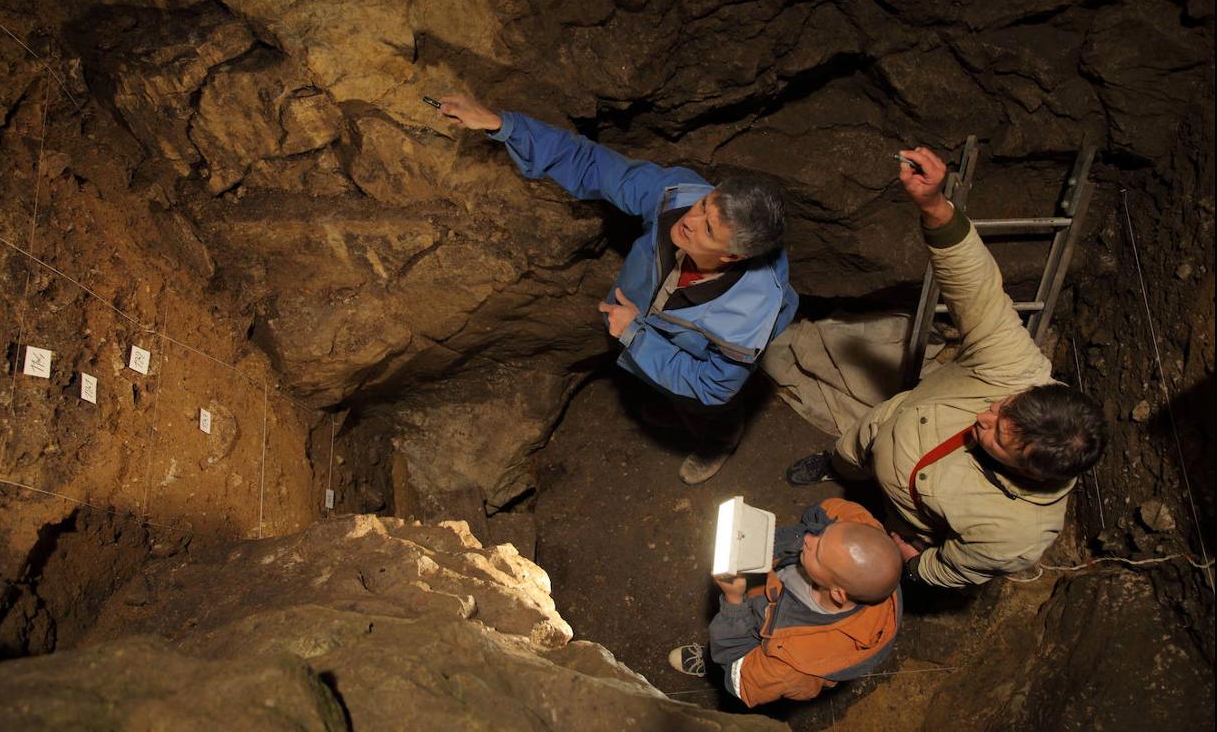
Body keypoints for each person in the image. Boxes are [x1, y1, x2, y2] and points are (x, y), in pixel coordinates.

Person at [789, 146, 1108, 589]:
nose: (985, 417)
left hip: (905, 518)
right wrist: (936, 208)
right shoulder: (1016, 368)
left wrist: (912, 566)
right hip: (881, 428)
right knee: (850, 450)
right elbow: (977, 289)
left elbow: (957, 567)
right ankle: (838, 466)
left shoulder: (1016, 533)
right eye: (1005, 407)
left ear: (1030, 472)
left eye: (998, 435)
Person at [438, 95, 798, 484]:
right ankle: (674, 402)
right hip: (647, 319)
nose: (690, 220)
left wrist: (634, 333)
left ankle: (716, 440)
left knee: (704, 404)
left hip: (691, 353)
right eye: (705, 206)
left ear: (731, 257)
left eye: (708, 229)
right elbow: (593, 163)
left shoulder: (746, 318)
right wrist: (501, 125)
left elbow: (712, 385)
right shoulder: (677, 197)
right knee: (662, 378)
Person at [669, 498, 902, 706]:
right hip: (767, 593)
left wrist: (734, 601)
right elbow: (823, 510)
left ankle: (710, 666)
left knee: (724, 662)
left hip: (751, 647)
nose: (809, 538)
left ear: (838, 593)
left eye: (819, 551)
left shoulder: (794, 667)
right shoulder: (860, 529)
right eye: (825, 534)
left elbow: (740, 681)